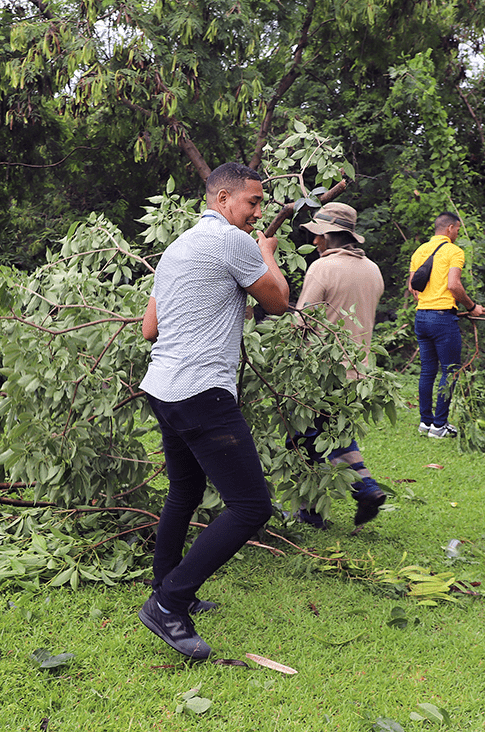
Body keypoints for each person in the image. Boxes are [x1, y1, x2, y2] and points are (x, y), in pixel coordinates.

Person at [138, 162, 289, 660]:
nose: (257, 212)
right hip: (203, 391)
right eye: (253, 202)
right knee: (251, 506)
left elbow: (149, 329)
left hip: (163, 385)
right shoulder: (234, 241)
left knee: (186, 488)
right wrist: (266, 253)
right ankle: (169, 604)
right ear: (222, 199)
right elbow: (280, 302)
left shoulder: (177, 247)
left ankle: (165, 581)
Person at [290, 202, 387, 527]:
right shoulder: (372, 270)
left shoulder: (323, 269)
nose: (315, 242)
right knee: (334, 434)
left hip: (320, 372)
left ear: (331, 236)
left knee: (305, 439)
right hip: (356, 373)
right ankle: (354, 494)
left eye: (318, 235)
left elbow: (301, 322)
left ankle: (323, 505)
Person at [408, 212, 484, 438]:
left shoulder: (419, 251)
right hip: (442, 319)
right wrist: (471, 307)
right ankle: (439, 426)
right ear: (450, 228)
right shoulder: (454, 251)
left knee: (427, 371)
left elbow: (413, 287)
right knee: (449, 371)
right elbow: (454, 285)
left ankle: (425, 422)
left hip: (421, 317)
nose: (458, 233)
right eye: (458, 229)